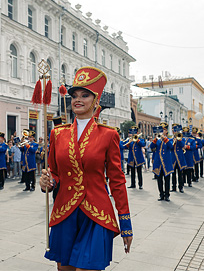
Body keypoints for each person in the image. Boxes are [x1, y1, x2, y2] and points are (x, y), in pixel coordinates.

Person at [40, 67, 132, 270]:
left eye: (84, 95)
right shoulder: (58, 134)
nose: (77, 99)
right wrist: (47, 180)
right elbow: (54, 171)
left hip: (96, 214)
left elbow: (117, 181)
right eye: (74, 95)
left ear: (96, 100)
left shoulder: (109, 135)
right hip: (64, 212)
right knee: (64, 269)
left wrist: (125, 224)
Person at [151, 122, 173, 201]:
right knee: (159, 180)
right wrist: (156, 139)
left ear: (166, 131)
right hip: (158, 163)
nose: (162, 132)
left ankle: (167, 195)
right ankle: (161, 194)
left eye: (163, 130)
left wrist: (165, 138)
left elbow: (171, 146)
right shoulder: (157, 140)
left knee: (167, 180)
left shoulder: (169, 139)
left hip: (166, 163)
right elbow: (151, 147)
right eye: (161, 130)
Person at [171, 124, 187, 193]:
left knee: (180, 174)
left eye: (176, 131)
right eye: (174, 131)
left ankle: (181, 187)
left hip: (180, 158)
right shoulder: (170, 139)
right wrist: (174, 141)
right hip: (173, 158)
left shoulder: (182, 138)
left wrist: (179, 140)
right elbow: (170, 147)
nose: (175, 132)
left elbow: (183, 145)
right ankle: (174, 187)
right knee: (173, 174)